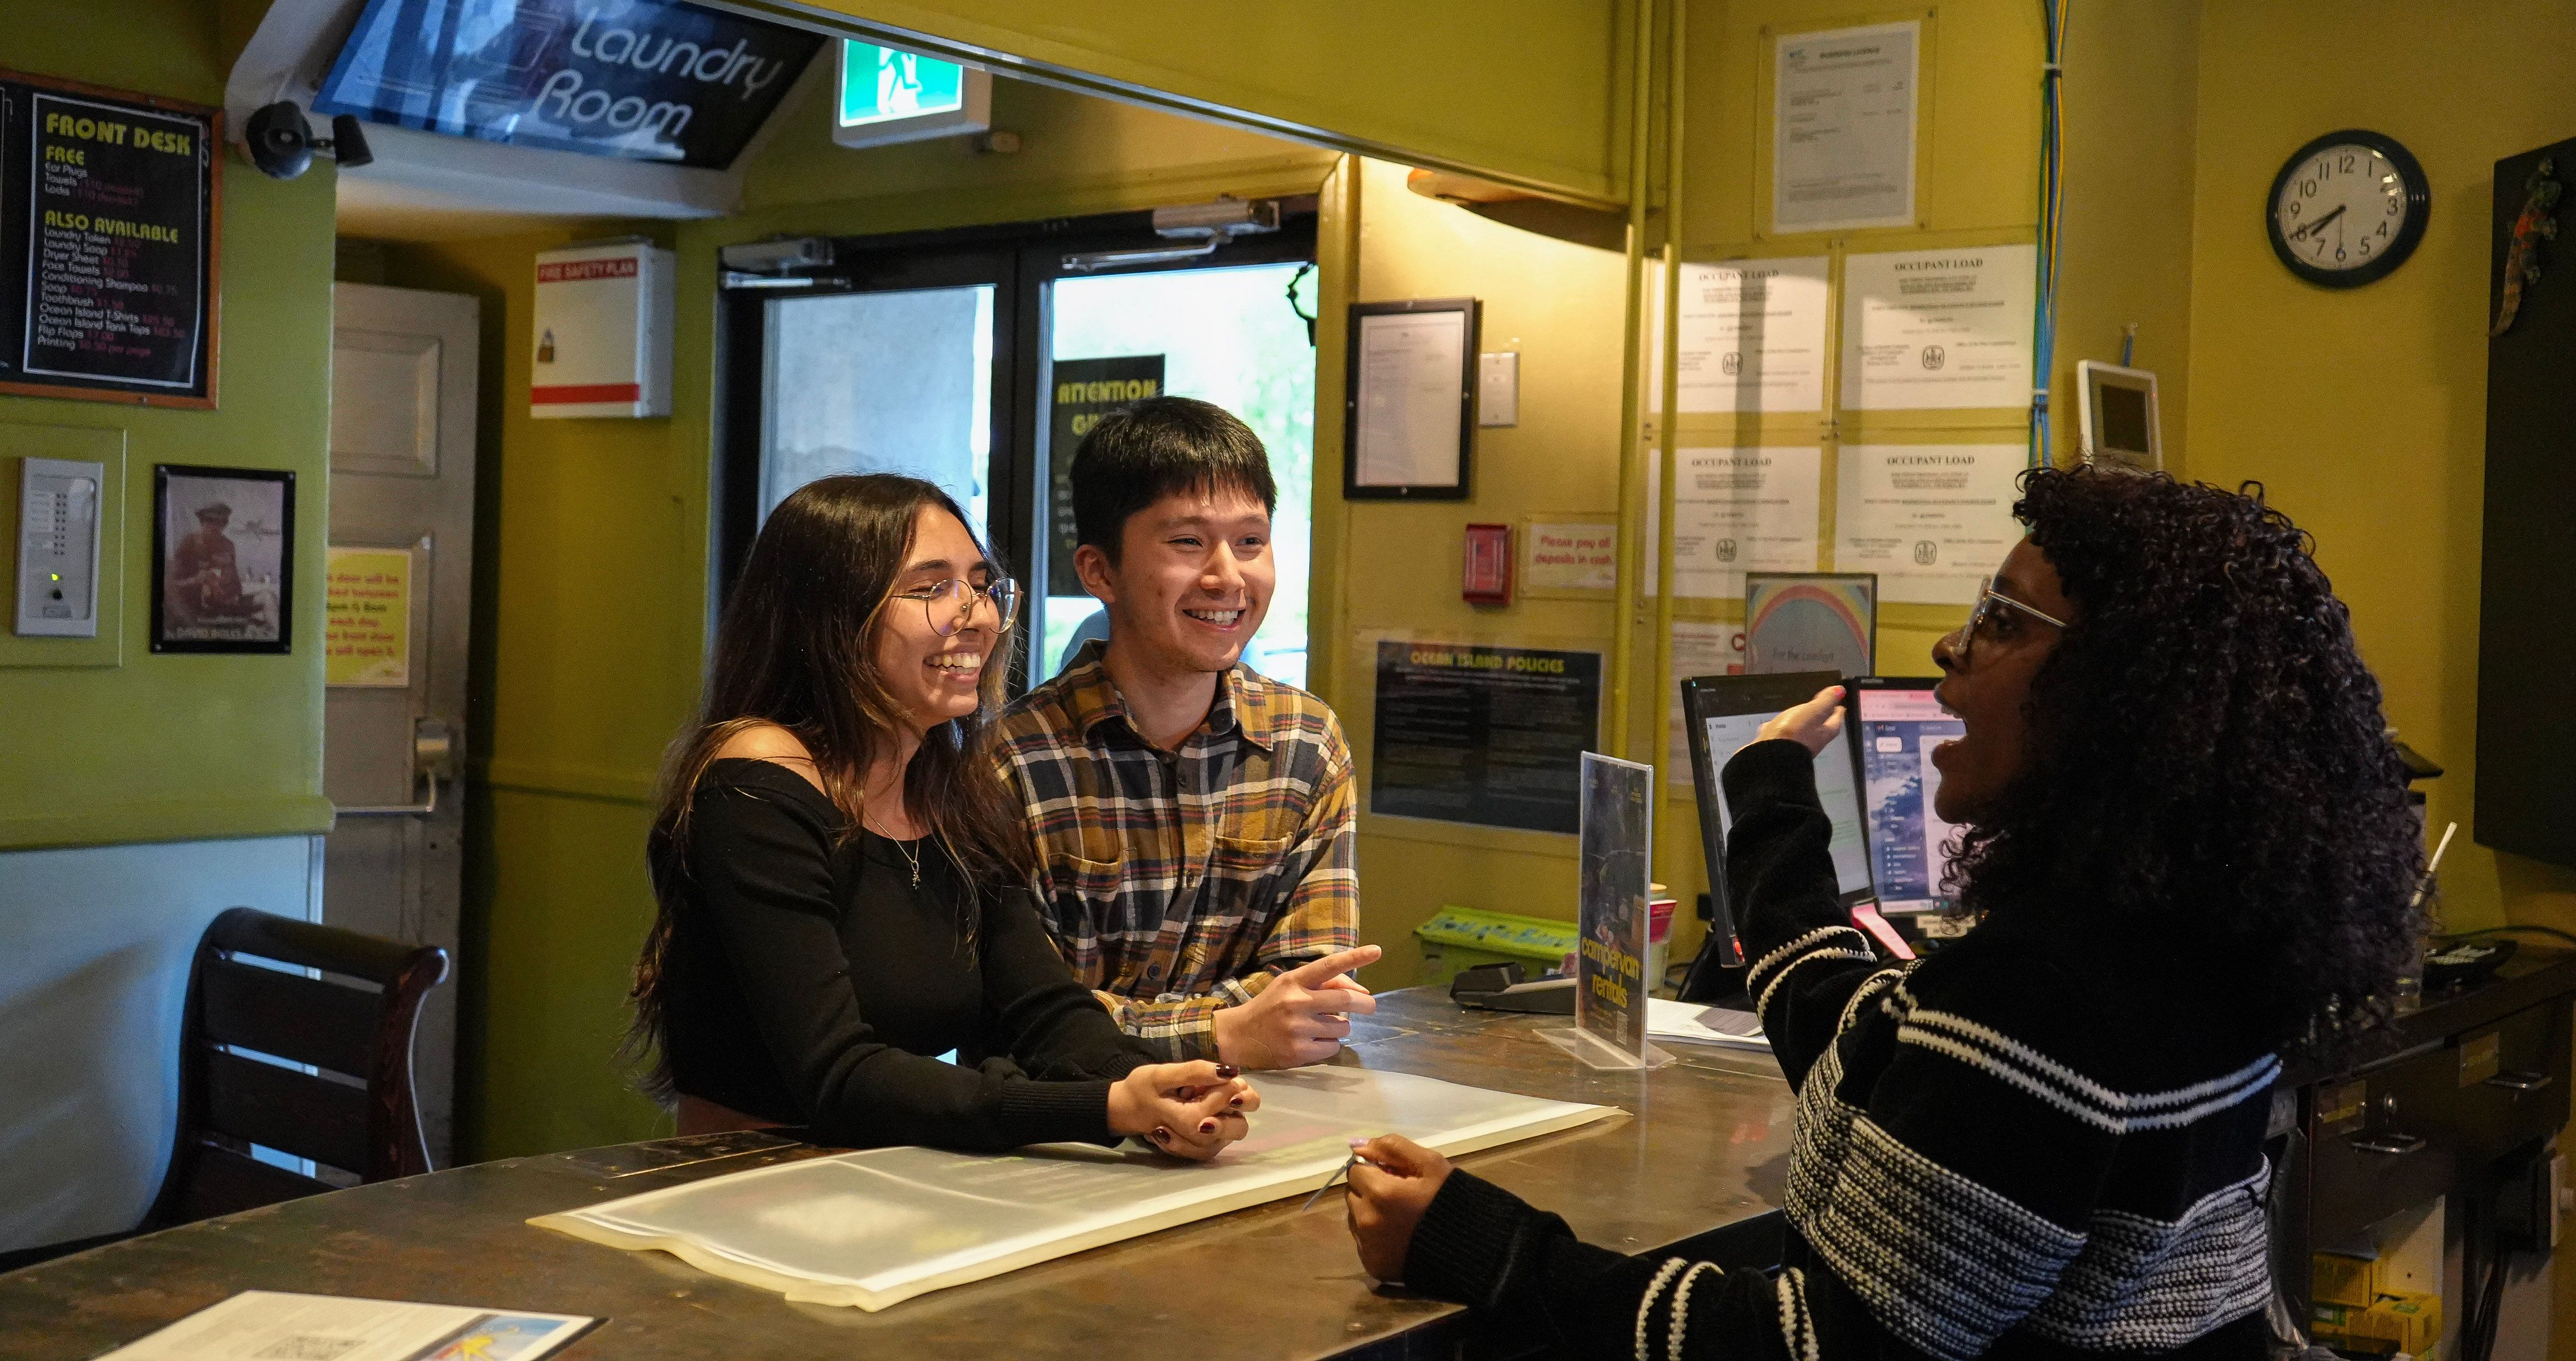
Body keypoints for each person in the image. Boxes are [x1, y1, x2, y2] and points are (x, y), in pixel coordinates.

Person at [1345, 466, 2424, 1360]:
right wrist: (1770, 793)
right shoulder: (2193, 939)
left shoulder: (2044, 989)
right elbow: (1853, 1034)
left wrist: (1480, 1244)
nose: (1952, 645)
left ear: (2117, 692)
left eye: (2000, 620)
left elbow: (1815, 1346)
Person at [625, 473, 1256, 1159]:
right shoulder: (758, 783)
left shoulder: (950, 786)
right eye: (931, 588)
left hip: (891, 1168)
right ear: (832, 616)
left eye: (980, 586)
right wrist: (1105, 1107)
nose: (977, 616)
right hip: (747, 1177)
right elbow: (837, 1075)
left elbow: (1041, 1009)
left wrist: (1162, 1088)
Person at [997, 399, 1379, 1068]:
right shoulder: (1014, 760)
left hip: (1262, 1112)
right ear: (1099, 571)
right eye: (1188, 543)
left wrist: (1163, 1026)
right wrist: (1227, 1031)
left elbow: (1311, 989)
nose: (1228, 577)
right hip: (1068, 1119)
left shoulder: (1304, 743)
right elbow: (1025, 1016)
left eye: (1251, 542)